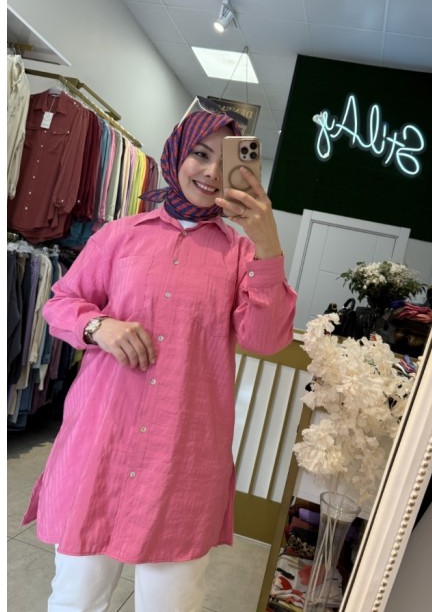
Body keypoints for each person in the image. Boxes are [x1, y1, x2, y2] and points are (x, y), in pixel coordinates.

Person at [21, 108, 297, 612]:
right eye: (200, 154)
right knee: (75, 600)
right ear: (176, 155)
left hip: (182, 460)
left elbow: (264, 339)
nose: (210, 173)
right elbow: (60, 303)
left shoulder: (242, 256)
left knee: (172, 605)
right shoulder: (120, 235)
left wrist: (267, 243)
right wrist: (98, 326)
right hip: (100, 444)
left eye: (226, 162)